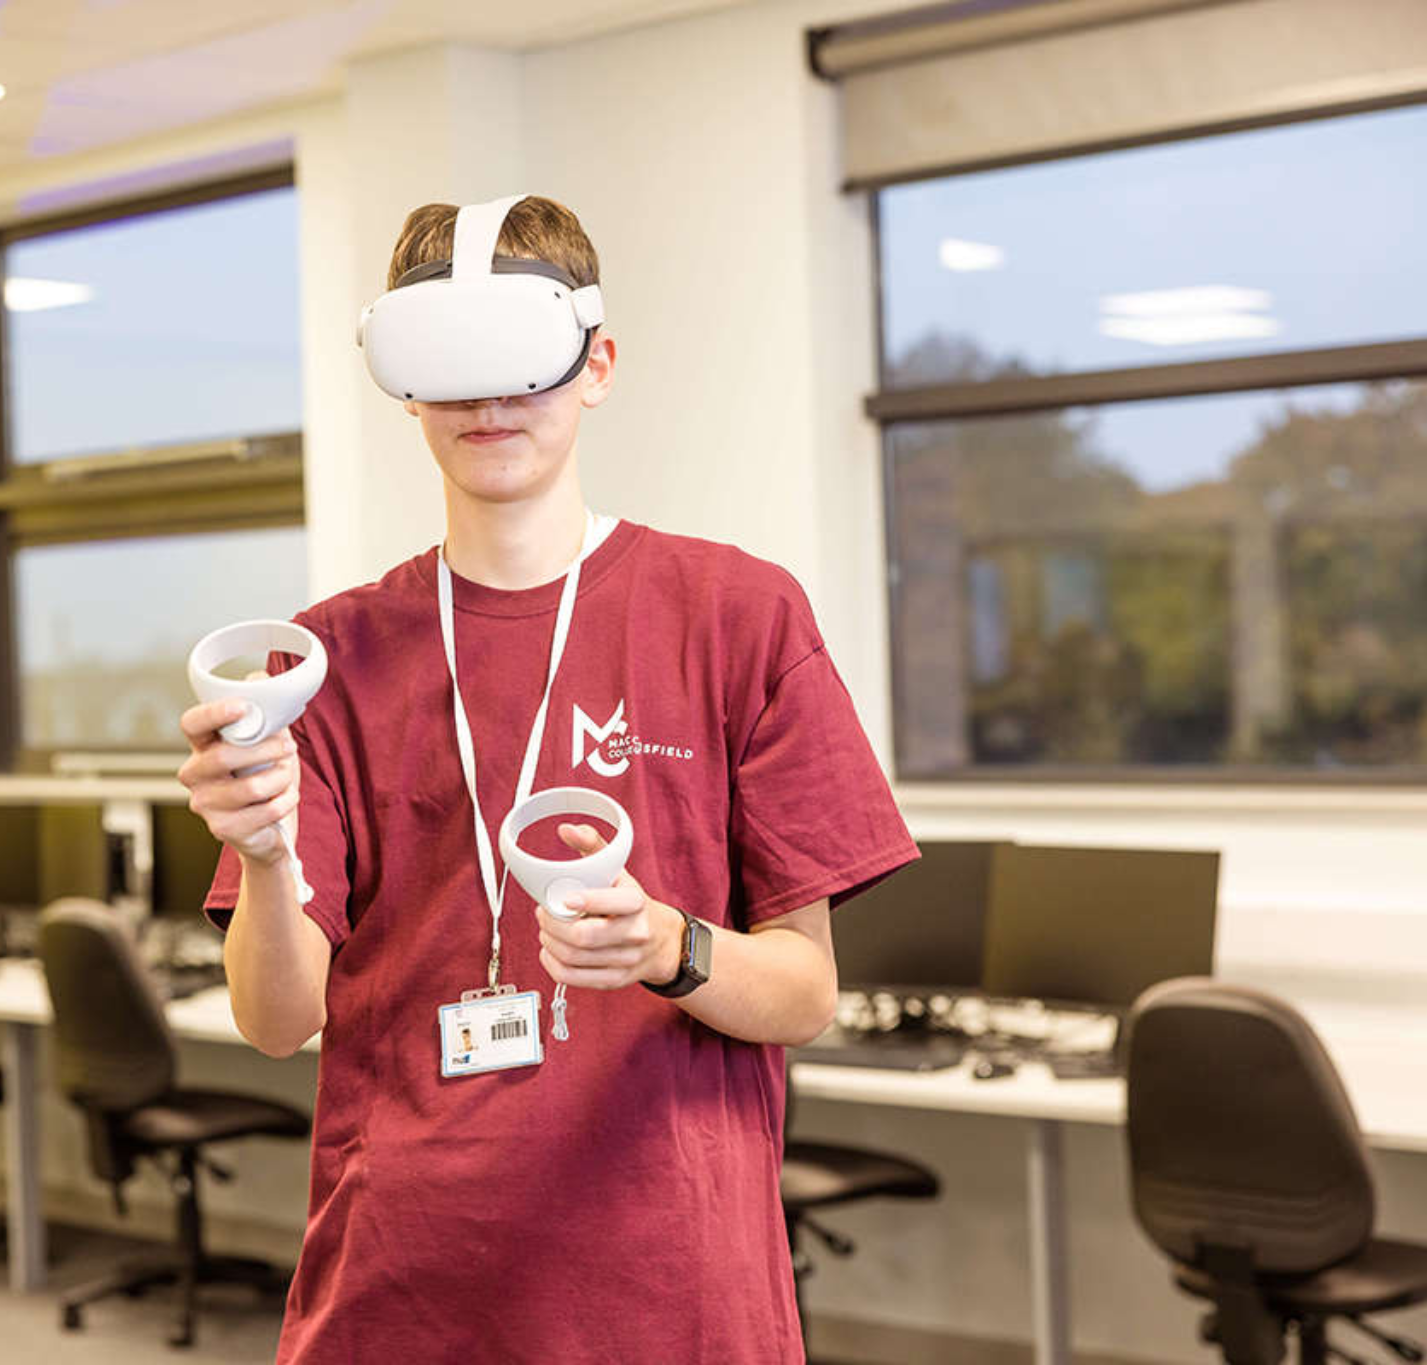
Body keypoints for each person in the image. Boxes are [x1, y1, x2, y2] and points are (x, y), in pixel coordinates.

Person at [177, 193, 917, 1363]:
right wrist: (265, 854)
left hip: (671, 1294)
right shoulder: (323, 661)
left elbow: (804, 993)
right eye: (447, 368)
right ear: (404, 383)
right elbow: (278, 1022)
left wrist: (669, 947)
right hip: (400, 1292)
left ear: (596, 363)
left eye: (519, 365)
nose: (485, 403)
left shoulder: (735, 617)